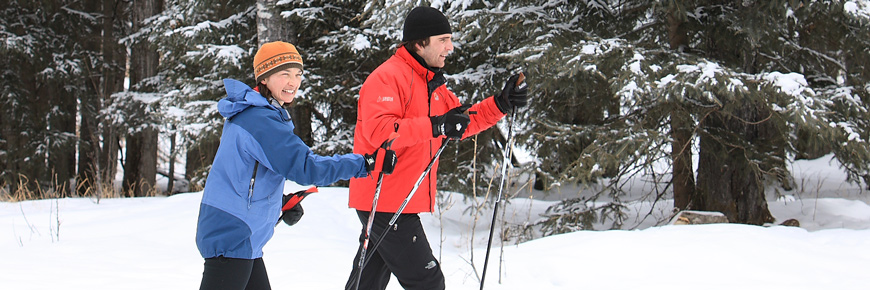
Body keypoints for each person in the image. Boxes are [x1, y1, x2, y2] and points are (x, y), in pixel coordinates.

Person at [345, 6, 529, 290]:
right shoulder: (388, 77)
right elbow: (380, 132)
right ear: (419, 43)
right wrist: (435, 126)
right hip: (385, 198)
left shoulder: (431, 83)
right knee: (428, 282)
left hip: (394, 200)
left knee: (367, 282)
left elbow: (458, 123)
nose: (449, 47)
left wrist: (500, 104)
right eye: (442, 39)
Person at [195, 41, 396, 290]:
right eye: (284, 74)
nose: (293, 82)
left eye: (298, 74)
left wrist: (279, 202)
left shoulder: (257, 113)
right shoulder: (259, 120)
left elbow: (243, 174)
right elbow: (306, 168)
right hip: (233, 233)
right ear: (265, 78)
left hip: (242, 234)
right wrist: (365, 162)